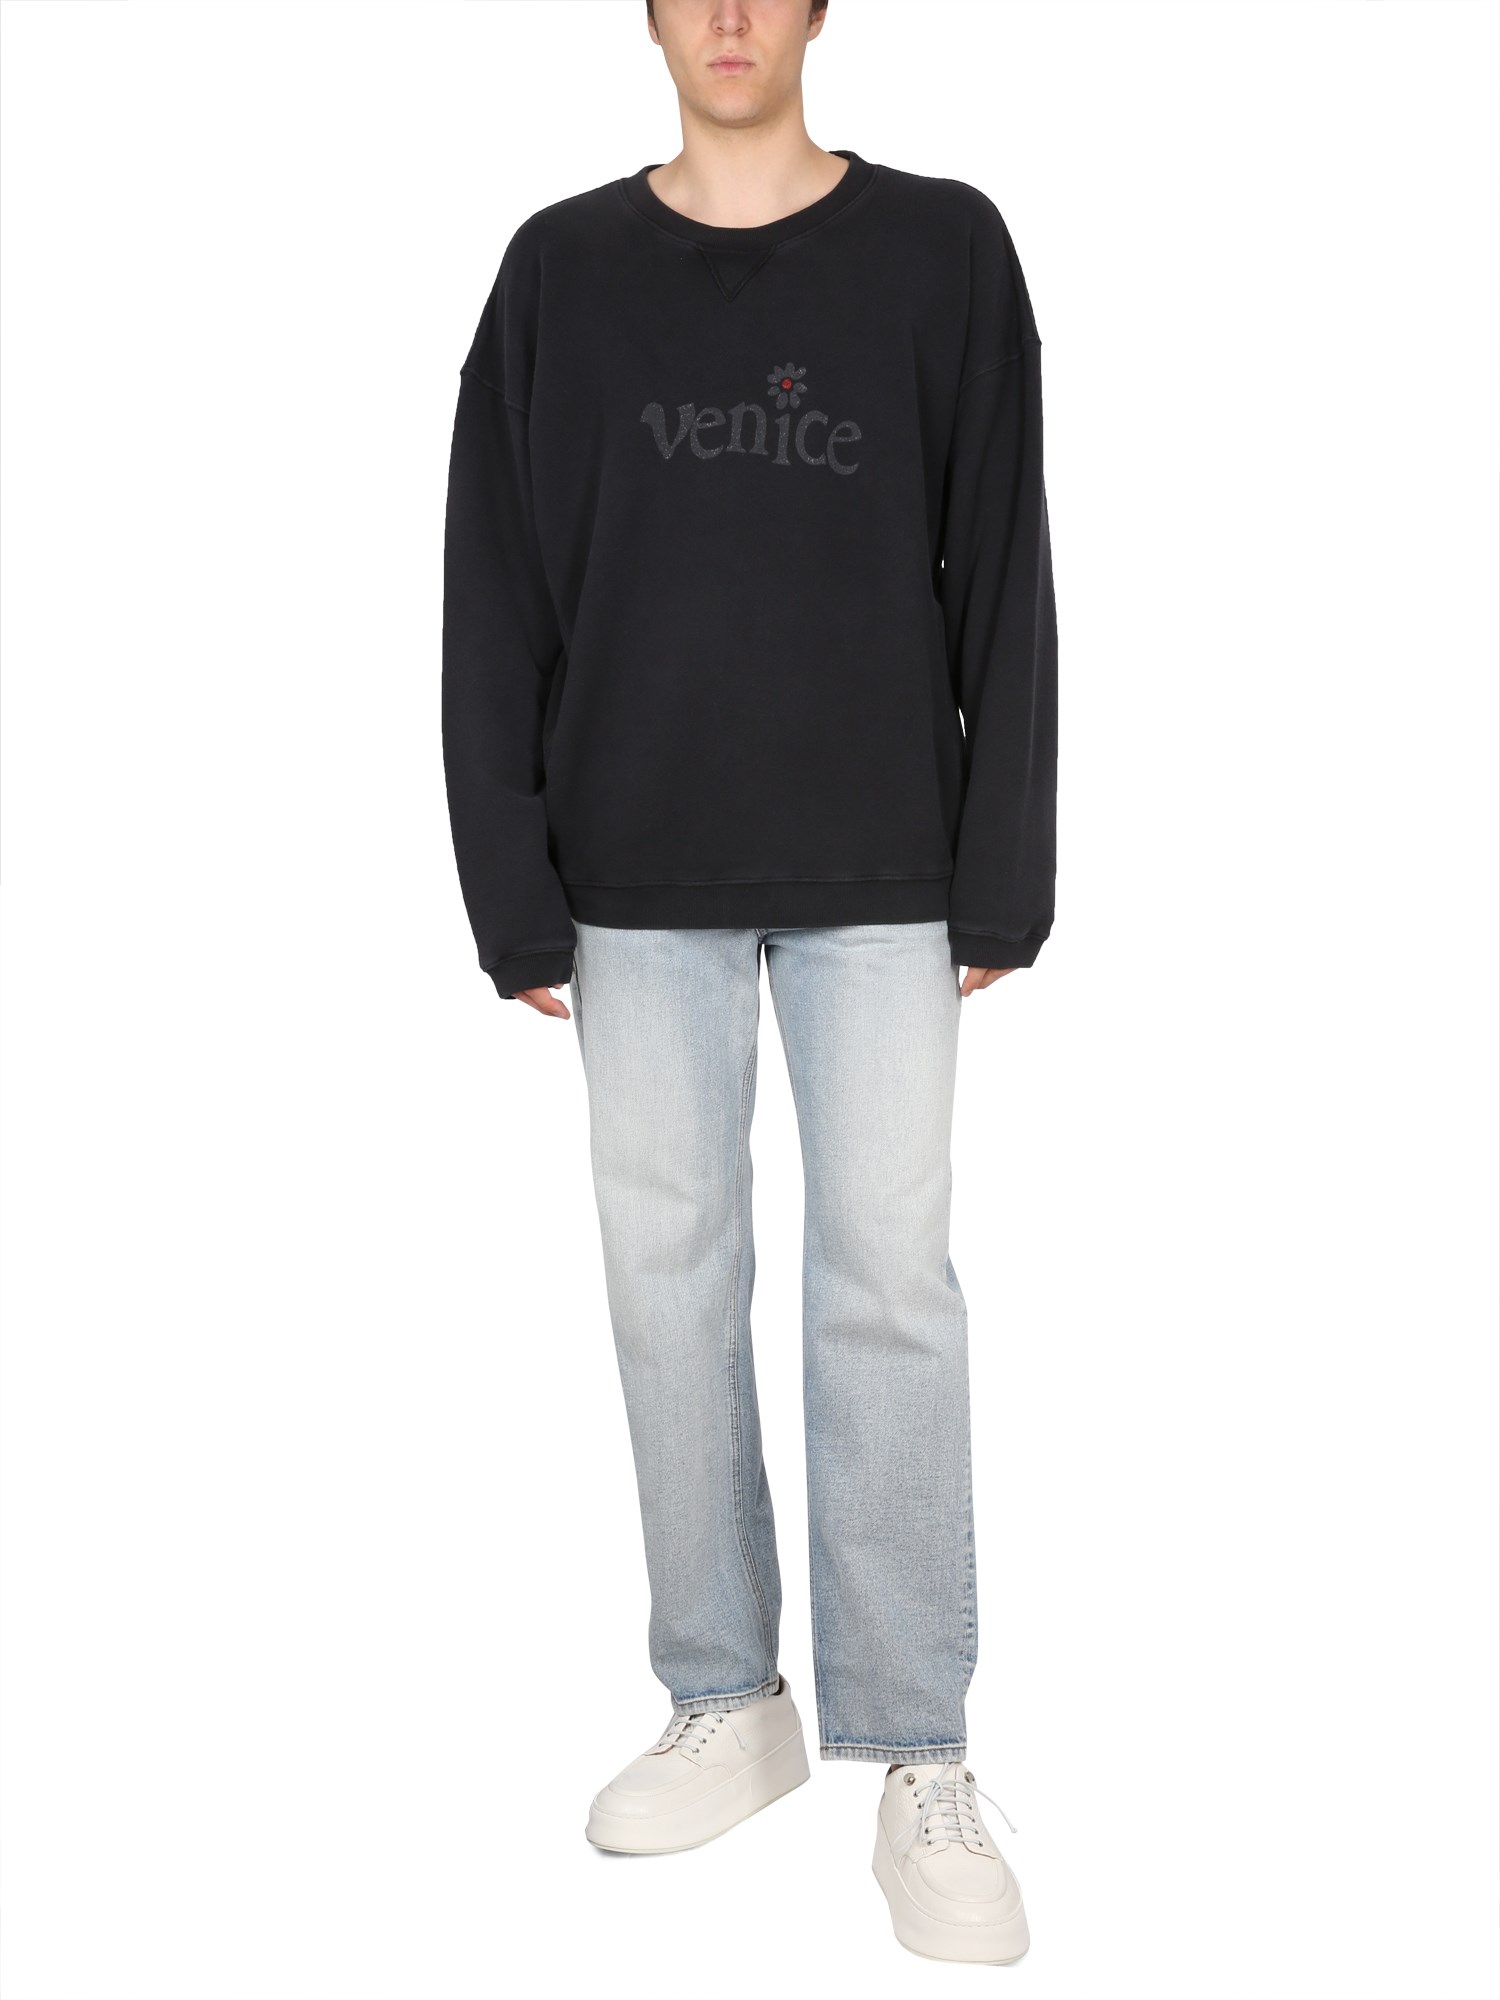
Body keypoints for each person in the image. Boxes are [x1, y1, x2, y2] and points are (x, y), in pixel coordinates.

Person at [441, 0, 1055, 1967]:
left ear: (815, 8)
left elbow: (1003, 569)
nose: (727, 15)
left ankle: (918, 1749)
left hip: (885, 863)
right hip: (632, 870)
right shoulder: (560, 270)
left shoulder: (941, 247)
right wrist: (513, 890)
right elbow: (492, 585)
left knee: (891, 1288)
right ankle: (729, 1695)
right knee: (668, 1280)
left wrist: (1005, 873)